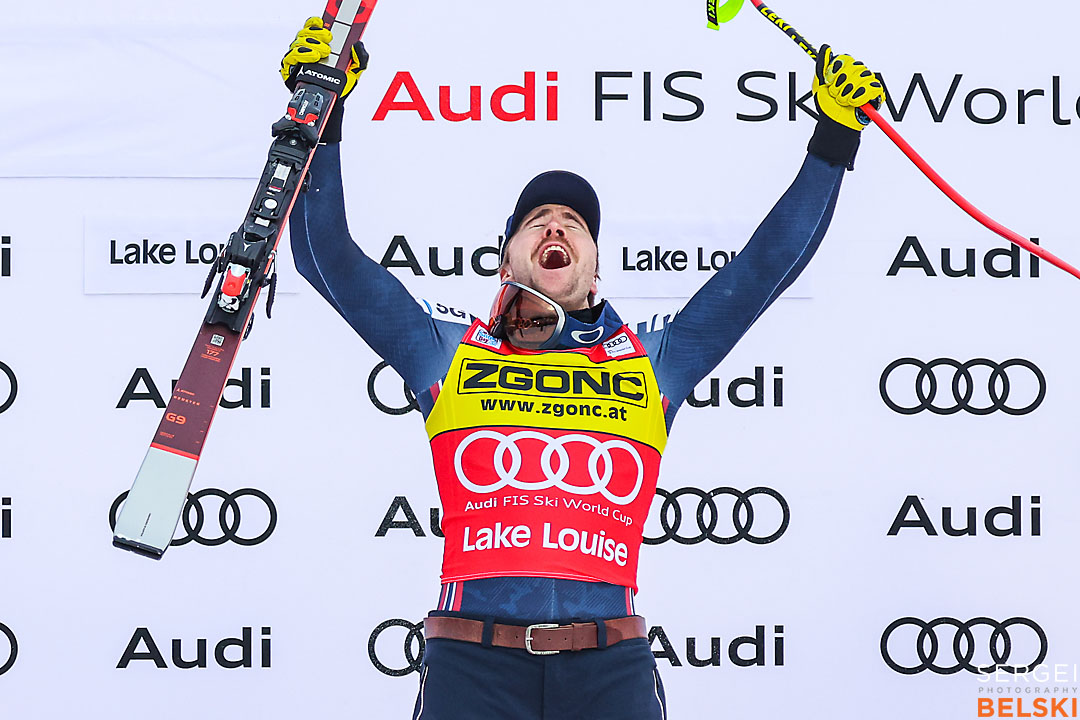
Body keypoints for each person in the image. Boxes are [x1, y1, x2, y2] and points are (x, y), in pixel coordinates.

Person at [281, 16, 884, 720]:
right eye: (536, 220)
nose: (557, 227)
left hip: (609, 668)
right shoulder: (448, 351)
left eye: (575, 222)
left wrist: (834, 137)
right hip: (471, 665)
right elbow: (324, 255)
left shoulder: (652, 362)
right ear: (506, 260)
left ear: (595, 272)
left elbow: (763, 271)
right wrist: (324, 112)